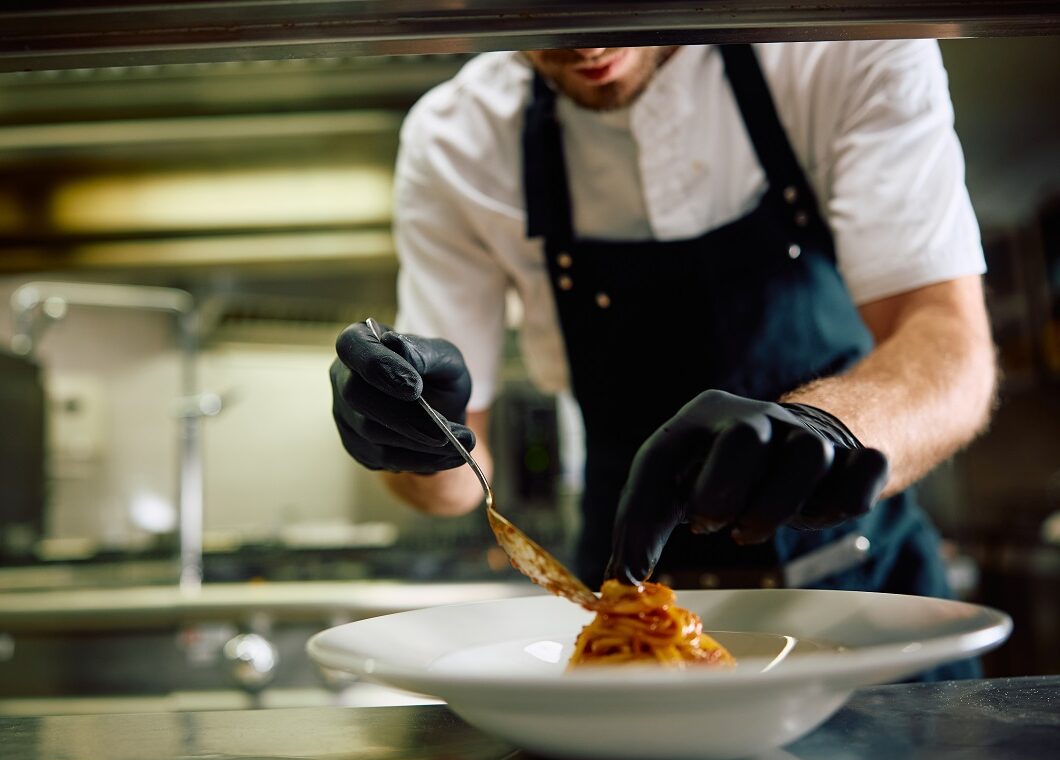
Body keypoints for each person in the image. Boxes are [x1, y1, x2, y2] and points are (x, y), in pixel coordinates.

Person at [329, 42, 996, 679]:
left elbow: (948, 341)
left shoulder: (837, 47)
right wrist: (406, 438)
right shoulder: (455, 142)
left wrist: (828, 429)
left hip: (868, 607)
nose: (585, 48)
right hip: (626, 639)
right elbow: (453, 489)